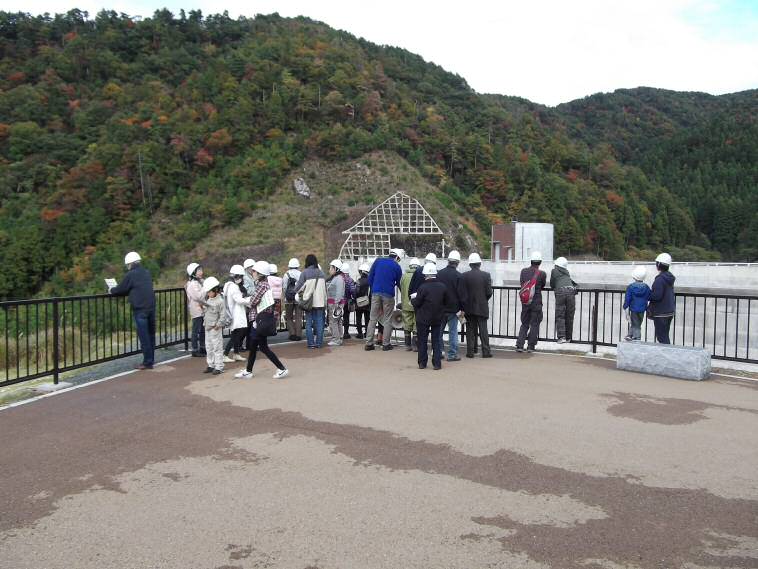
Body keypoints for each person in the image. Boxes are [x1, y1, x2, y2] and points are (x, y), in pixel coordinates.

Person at [235, 261, 289, 379]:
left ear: (259, 273)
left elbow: (253, 301)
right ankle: (249, 371)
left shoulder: (261, 285)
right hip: (260, 320)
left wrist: (244, 299)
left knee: (261, 347)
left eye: (254, 271)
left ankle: (281, 368)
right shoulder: (264, 284)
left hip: (258, 319)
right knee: (255, 346)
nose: (252, 272)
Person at [109, 251, 156, 370]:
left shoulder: (131, 274)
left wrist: (111, 290)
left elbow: (121, 289)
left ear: (129, 264)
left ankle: (147, 362)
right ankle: (151, 360)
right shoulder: (146, 272)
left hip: (140, 309)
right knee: (150, 334)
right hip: (151, 306)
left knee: (144, 335)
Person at [412, 263, 450, 370]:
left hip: (423, 318)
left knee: (422, 340)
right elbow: (447, 301)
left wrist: (412, 300)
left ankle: (422, 363)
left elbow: (417, 302)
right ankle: (437, 363)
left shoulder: (422, 287)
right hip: (437, 317)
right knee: (436, 340)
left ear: (426, 275)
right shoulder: (442, 287)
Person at [365, 249, 403, 351]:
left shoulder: (378, 261)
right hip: (388, 294)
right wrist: (404, 296)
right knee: (387, 319)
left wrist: (374, 289)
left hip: (375, 293)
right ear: (397, 257)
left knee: (373, 318)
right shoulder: (397, 267)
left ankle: (369, 343)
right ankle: (386, 344)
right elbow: (400, 284)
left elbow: (370, 278)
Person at [437, 250, 467, 361]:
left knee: (438, 332)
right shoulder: (459, 276)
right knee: (453, 332)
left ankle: (439, 352)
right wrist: (463, 309)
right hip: (453, 310)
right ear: (457, 263)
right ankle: (452, 354)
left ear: (448, 261)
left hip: (440, 308)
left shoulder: (439, 274)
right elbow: (462, 295)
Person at [462, 253, 493, 358]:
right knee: (483, 329)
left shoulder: (464, 276)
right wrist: (483, 300)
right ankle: (486, 352)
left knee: (470, 330)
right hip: (482, 306)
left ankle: (470, 352)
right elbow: (489, 292)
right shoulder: (486, 275)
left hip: (469, 307)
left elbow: (463, 293)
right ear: (479, 264)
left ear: (470, 264)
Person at [516, 251, 547, 353]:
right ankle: (530, 346)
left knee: (524, 323)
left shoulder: (523, 271)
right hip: (536, 302)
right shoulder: (542, 274)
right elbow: (542, 286)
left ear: (531, 261)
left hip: (525, 302)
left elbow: (522, 284)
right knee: (534, 324)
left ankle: (520, 345)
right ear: (540, 262)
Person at [294, 254, 328, 349]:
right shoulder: (321, 273)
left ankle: (311, 344)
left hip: (309, 302)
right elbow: (325, 289)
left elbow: (297, 288)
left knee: (309, 323)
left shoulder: (305, 273)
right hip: (320, 302)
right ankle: (319, 343)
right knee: (320, 323)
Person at [222, 265, 248, 363]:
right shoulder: (233, 286)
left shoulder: (229, 285)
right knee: (236, 334)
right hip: (236, 313)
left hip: (234, 312)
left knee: (236, 333)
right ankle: (225, 354)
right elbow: (239, 300)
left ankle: (236, 354)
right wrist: (250, 300)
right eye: (240, 276)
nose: (241, 279)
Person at [648, 253, 676, 344]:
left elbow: (656, 296)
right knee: (665, 335)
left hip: (661, 313)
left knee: (662, 337)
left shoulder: (660, 279)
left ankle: (668, 356)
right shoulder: (669, 277)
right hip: (669, 311)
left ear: (659, 264)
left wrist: (647, 294)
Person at [550, 257, 577, 344]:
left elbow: (552, 283)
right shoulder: (567, 272)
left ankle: (562, 337)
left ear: (557, 265)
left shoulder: (554, 271)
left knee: (560, 315)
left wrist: (554, 287)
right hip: (571, 291)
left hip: (561, 292)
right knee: (569, 315)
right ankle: (569, 337)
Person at [201, 276, 225, 375]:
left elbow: (223, 315)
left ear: (215, 290)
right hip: (207, 327)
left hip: (215, 328)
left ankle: (219, 366)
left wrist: (218, 325)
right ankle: (211, 365)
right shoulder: (209, 300)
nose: (208, 294)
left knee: (217, 347)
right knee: (209, 347)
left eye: (209, 291)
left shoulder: (220, 301)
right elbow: (206, 312)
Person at [624, 266, 651, 341]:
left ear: (634, 277)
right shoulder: (646, 287)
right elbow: (649, 297)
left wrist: (625, 308)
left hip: (633, 308)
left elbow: (628, 299)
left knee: (636, 324)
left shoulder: (631, 287)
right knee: (637, 323)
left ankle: (637, 337)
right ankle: (630, 335)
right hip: (642, 309)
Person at [185, 262, 207, 357]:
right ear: (193, 272)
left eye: (201, 270)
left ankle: (202, 347)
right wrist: (205, 288)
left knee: (202, 329)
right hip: (196, 309)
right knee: (196, 329)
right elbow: (198, 296)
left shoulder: (198, 282)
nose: (201, 272)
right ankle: (195, 349)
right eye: (198, 270)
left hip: (201, 308)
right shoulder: (192, 284)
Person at [400, 258, 420, 351]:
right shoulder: (419, 275)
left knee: (407, 324)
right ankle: (415, 345)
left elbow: (402, 288)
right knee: (416, 324)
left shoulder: (404, 276)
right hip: (416, 304)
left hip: (405, 304)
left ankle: (407, 345)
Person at [326, 259, 346, 346]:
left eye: (331, 268)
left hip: (335, 303)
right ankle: (339, 337)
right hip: (336, 302)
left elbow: (339, 292)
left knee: (334, 321)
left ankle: (336, 339)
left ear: (336, 268)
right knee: (338, 321)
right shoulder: (338, 278)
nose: (330, 269)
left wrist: (336, 304)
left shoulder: (338, 279)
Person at [283, 258, 303, 341]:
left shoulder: (286, 274)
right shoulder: (301, 274)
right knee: (298, 317)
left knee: (289, 317)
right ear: (297, 266)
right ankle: (298, 335)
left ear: (289, 266)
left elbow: (284, 287)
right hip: (298, 298)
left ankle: (292, 334)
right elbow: (303, 286)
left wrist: (286, 294)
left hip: (289, 298)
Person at [355, 263, 371, 339]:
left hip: (359, 302)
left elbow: (356, 292)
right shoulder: (370, 281)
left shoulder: (358, 281)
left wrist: (355, 299)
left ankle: (360, 333)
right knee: (367, 319)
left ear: (361, 272)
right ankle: (367, 333)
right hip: (368, 302)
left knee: (358, 318)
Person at [340, 262, 356, 339]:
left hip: (339, 301)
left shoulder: (339, 278)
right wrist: (353, 298)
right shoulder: (350, 280)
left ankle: (339, 333)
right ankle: (346, 333)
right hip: (347, 301)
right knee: (346, 317)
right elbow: (352, 290)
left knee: (338, 317)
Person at [268, 263, 283, 332]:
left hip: (270, 299)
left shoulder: (267, 279)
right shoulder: (280, 280)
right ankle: (274, 328)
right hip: (278, 299)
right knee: (276, 314)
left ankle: (269, 329)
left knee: (269, 314)